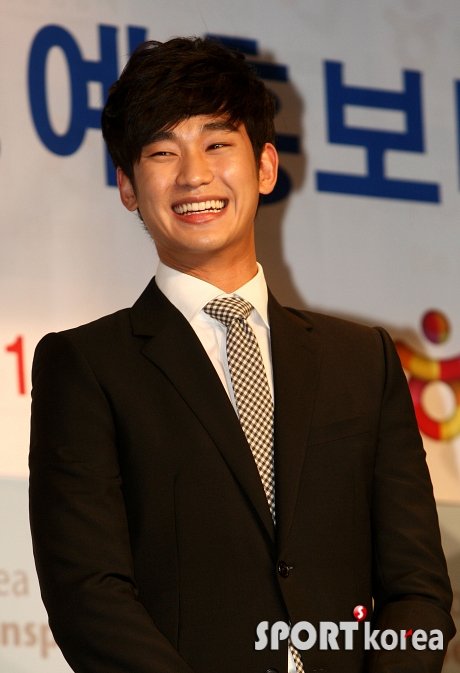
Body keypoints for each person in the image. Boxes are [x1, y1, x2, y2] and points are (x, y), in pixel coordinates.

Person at [29, 37, 455, 673]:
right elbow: (87, 595)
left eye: (217, 143)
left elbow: (418, 590)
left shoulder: (362, 361)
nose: (193, 175)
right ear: (127, 186)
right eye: (162, 152)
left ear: (265, 167)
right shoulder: (87, 366)